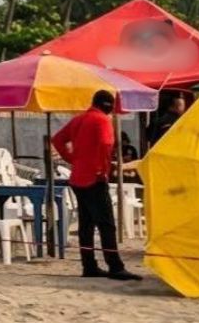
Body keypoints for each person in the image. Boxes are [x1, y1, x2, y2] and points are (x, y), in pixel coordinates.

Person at [51, 90, 140, 281]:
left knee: (86, 225)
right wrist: (103, 168)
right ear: (108, 105)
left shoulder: (78, 119)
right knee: (106, 224)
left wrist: (72, 159)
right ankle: (115, 267)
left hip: (77, 178)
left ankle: (89, 265)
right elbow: (106, 144)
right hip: (95, 178)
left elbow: (57, 140)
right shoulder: (102, 120)